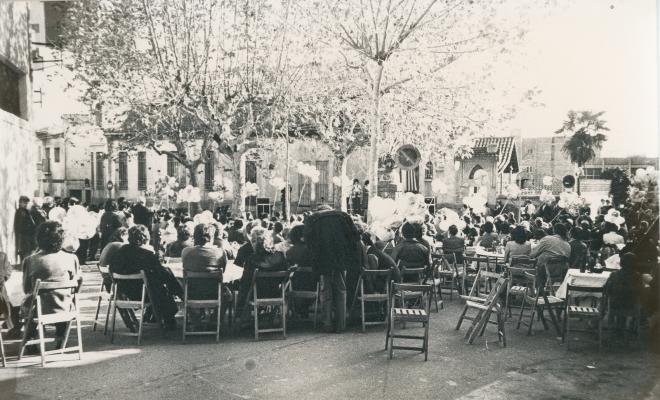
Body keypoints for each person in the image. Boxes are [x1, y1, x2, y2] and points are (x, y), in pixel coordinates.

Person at [21, 221, 82, 349]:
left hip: (39, 310)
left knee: (29, 303)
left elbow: (26, 288)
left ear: (39, 238)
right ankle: (61, 337)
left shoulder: (30, 260)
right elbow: (78, 283)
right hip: (65, 307)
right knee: (62, 296)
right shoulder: (72, 258)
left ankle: (31, 340)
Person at [110, 225, 182, 330]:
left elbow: (112, 270)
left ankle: (151, 314)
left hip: (125, 292)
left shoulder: (118, 254)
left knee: (158, 282)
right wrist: (177, 289)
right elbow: (163, 276)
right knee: (164, 283)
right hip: (146, 294)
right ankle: (170, 316)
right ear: (145, 238)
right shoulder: (147, 255)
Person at [304, 205, 361, 333]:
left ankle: (327, 323)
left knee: (326, 291)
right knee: (341, 290)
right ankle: (341, 324)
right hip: (341, 258)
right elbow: (355, 237)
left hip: (323, 259)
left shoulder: (313, 218)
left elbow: (308, 240)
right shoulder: (343, 216)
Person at [530, 223, 571, 288]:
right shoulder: (568, 245)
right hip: (561, 272)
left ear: (554, 230)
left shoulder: (547, 239)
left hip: (545, 270)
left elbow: (532, 254)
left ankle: (539, 289)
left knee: (535, 266)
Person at [14, 196, 36, 261]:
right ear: (20, 203)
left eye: (27, 203)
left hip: (28, 235)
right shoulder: (20, 212)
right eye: (25, 203)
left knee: (27, 251)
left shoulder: (26, 211)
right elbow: (20, 226)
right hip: (24, 236)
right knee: (24, 251)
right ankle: (23, 265)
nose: (26, 205)